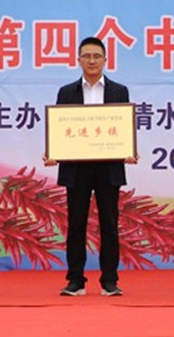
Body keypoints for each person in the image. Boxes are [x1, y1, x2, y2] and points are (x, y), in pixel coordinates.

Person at [45, 37, 138, 297]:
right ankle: (76, 280)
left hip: (109, 167)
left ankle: (110, 280)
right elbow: (60, 128)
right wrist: (53, 151)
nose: (92, 61)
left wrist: (129, 149)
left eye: (97, 56)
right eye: (86, 56)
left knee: (109, 224)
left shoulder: (119, 91)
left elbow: (123, 127)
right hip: (76, 168)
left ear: (105, 60)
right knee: (76, 224)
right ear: (78, 60)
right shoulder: (67, 92)